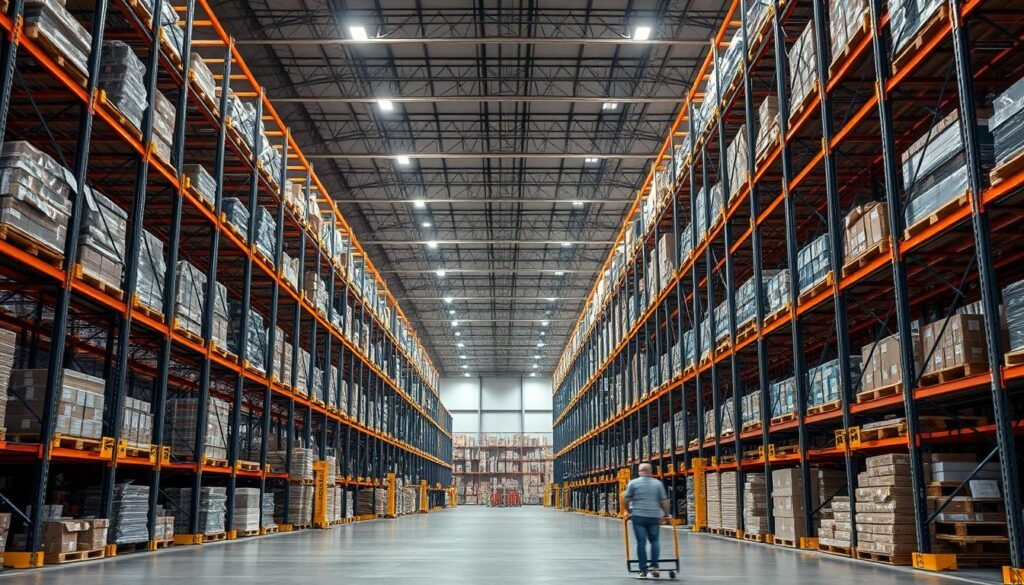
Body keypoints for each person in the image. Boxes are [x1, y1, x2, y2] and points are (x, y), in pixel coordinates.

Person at [623, 463, 671, 578]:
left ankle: (643, 570)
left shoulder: (633, 483)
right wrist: (666, 514)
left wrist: (629, 512)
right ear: (650, 471)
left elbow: (625, 499)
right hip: (654, 517)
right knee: (655, 541)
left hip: (638, 517)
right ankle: (655, 566)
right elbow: (664, 501)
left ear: (639, 471)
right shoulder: (657, 484)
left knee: (641, 542)